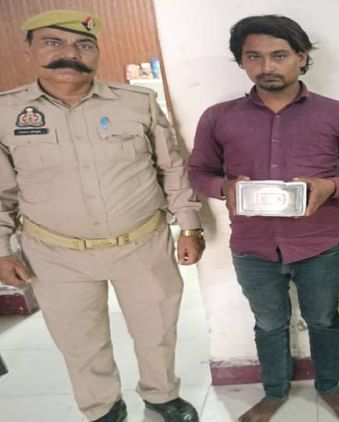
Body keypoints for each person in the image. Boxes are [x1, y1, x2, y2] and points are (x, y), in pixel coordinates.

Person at [0, 9, 205, 422]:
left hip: (142, 243)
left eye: (84, 45)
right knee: (79, 340)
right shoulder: (6, 113)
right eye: (53, 43)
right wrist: (2, 250)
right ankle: (103, 408)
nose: (70, 53)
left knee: (157, 330)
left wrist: (190, 226)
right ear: (30, 49)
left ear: (96, 52)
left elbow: (172, 168)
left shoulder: (137, 103)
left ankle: (162, 396)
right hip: (55, 253)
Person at [188, 14, 339, 422]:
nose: (266, 66)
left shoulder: (338, 114)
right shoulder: (218, 117)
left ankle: (329, 387)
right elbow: (198, 172)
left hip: (319, 244)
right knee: (269, 323)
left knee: (323, 319)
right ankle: (275, 391)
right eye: (254, 56)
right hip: (253, 246)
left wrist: (329, 187)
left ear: (301, 58)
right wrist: (224, 188)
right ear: (241, 61)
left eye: (279, 55)